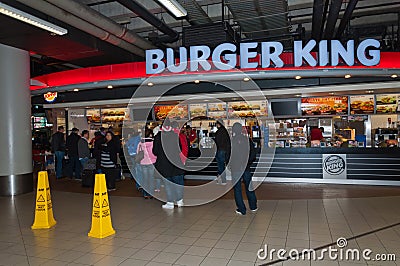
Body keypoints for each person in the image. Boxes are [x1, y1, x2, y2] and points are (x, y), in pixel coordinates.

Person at [153, 119, 185, 209]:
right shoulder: (175, 136)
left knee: (168, 184)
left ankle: (170, 203)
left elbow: (155, 152)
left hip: (164, 164)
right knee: (179, 183)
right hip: (176, 163)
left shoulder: (158, 137)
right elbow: (179, 149)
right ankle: (180, 201)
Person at [229, 122, 258, 215]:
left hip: (236, 167)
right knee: (249, 187)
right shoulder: (247, 139)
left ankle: (242, 209)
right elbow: (253, 152)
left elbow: (228, 154)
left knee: (237, 189)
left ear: (233, 130)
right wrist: (248, 161)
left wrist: (230, 164)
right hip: (246, 167)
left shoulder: (232, 141)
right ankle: (253, 206)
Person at [137, 128, 157, 199]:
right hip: (151, 162)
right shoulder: (152, 142)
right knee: (151, 179)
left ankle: (145, 194)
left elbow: (138, 152)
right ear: (150, 134)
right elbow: (153, 153)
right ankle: (150, 194)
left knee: (145, 179)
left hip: (143, 163)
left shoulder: (141, 142)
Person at [214, 120, 231, 185]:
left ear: (218, 124)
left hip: (220, 150)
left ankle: (223, 180)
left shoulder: (218, 132)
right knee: (221, 166)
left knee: (220, 166)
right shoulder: (226, 131)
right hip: (225, 150)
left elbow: (217, 142)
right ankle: (220, 180)